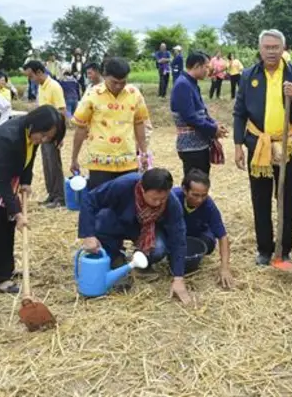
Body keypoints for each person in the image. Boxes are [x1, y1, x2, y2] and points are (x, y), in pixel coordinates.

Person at [0, 106, 65, 294]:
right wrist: (17, 213)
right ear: (35, 124)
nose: (43, 140)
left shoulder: (30, 134)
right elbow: (1, 180)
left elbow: (30, 155)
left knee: (7, 222)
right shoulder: (9, 138)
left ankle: (7, 270)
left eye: (48, 138)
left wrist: (26, 182)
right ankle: (0, 279)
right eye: (43, 135)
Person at [233, 29, 292, 266]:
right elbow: (239, 113)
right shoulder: (249, 76)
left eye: (275, 47)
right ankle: (264, 249)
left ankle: (284, 249)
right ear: (260, 49)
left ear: (283, 49)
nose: (270, 51)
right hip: (258, 144)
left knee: (287, 197)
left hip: (288, 144)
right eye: (266, 47)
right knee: (260, 197)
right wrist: (238, 145)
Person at [78, 169, 193, 304]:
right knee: (101, 221)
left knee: (159, 248)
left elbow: (178, 238)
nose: (158, 203)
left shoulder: (172, 203)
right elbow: (90, 200)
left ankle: (140, 264)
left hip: (146, 230)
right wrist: (89, 235)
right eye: (154, 198)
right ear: (142, 189)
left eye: (163, 199)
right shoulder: (123, 185)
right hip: (118, 221)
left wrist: (178, 278)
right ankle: (116, 258)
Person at [71, 57, 150, 190]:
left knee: (126, 203)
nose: (119, 86)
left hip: (128, 161)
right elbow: (81, 128)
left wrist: (144, 153)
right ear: (104, 76)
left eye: (123, 82)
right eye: (114, 82)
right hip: (100, 162)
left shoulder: (134, 94)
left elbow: (139, 123)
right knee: (101, 203)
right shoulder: (92, 95)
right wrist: (74, 158)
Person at [172, 169, 234, 288]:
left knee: (209, 243)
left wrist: (225, 268)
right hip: (174, 234)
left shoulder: (208, 205)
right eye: (195, 195)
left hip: (197, 234)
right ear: (184, 190)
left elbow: (222, 236)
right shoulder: (173, 198)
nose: (200, 200)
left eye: (204, 195)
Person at [170, 52, 227, 177]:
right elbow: (191, 117)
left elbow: (201, 112)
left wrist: (214, 124)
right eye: (206, 67)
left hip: (199, 144)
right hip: (191, 146)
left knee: (201, 180)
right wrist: (213, 129)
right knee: (195, 183)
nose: (208, 70)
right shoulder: (183, 85)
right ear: (197, 66)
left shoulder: (190, 83)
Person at [23, 60, 67, 208]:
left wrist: (60, 136)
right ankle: (52, 195)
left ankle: (60, 198)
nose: (31, 80)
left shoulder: (54, 86)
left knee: (54, 164)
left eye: (31, 76)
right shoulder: (41, 87)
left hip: (52, 133)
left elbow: (61, 111)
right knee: (47, 164)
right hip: (42, 133)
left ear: (39, 72)